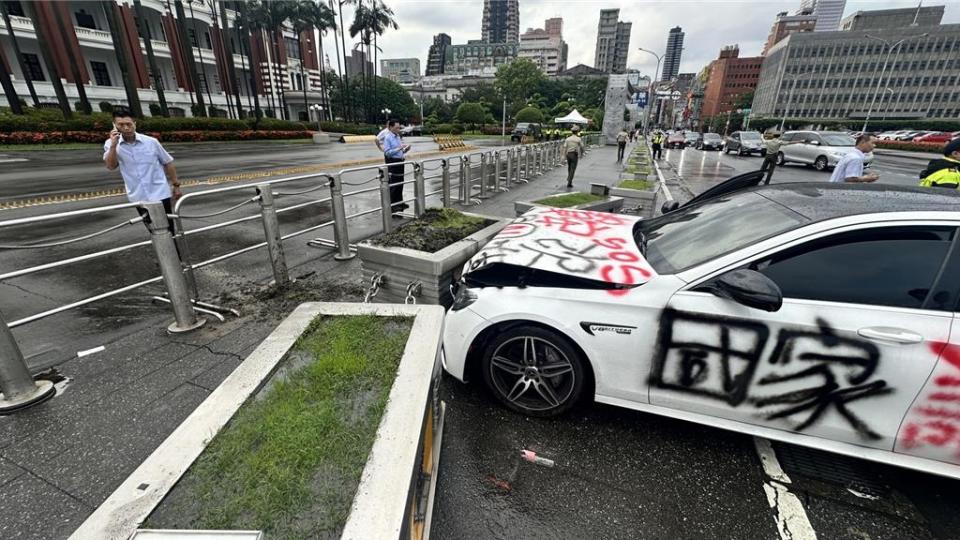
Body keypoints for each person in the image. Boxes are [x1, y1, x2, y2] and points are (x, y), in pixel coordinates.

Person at [103, 107, 180, 234]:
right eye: (121, 125)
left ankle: (175, 253)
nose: (126, 128)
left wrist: (176, 185)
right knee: (153, 231)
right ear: (114, 126)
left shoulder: (150, 142)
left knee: (168, 230)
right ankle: (163, 253)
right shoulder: (111, 144)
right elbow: (111, 166)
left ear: (135, 123)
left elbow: (168, 162)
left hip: (160, 194)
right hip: (138, 196)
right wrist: (113, 145)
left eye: (129, 124)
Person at [380, 119, 412, 215]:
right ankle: (392, 205)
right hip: (393, 162)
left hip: (400, 161)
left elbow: (400, 151)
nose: (398, 129)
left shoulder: (397, 136)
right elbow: (387, 153)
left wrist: (405, 150)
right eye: (396, 128)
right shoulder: (388, 138)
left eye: (399, 127)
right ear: (390, 127)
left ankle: (399, 202)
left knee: (400, 182)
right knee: (394, 183)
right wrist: (399, 148)